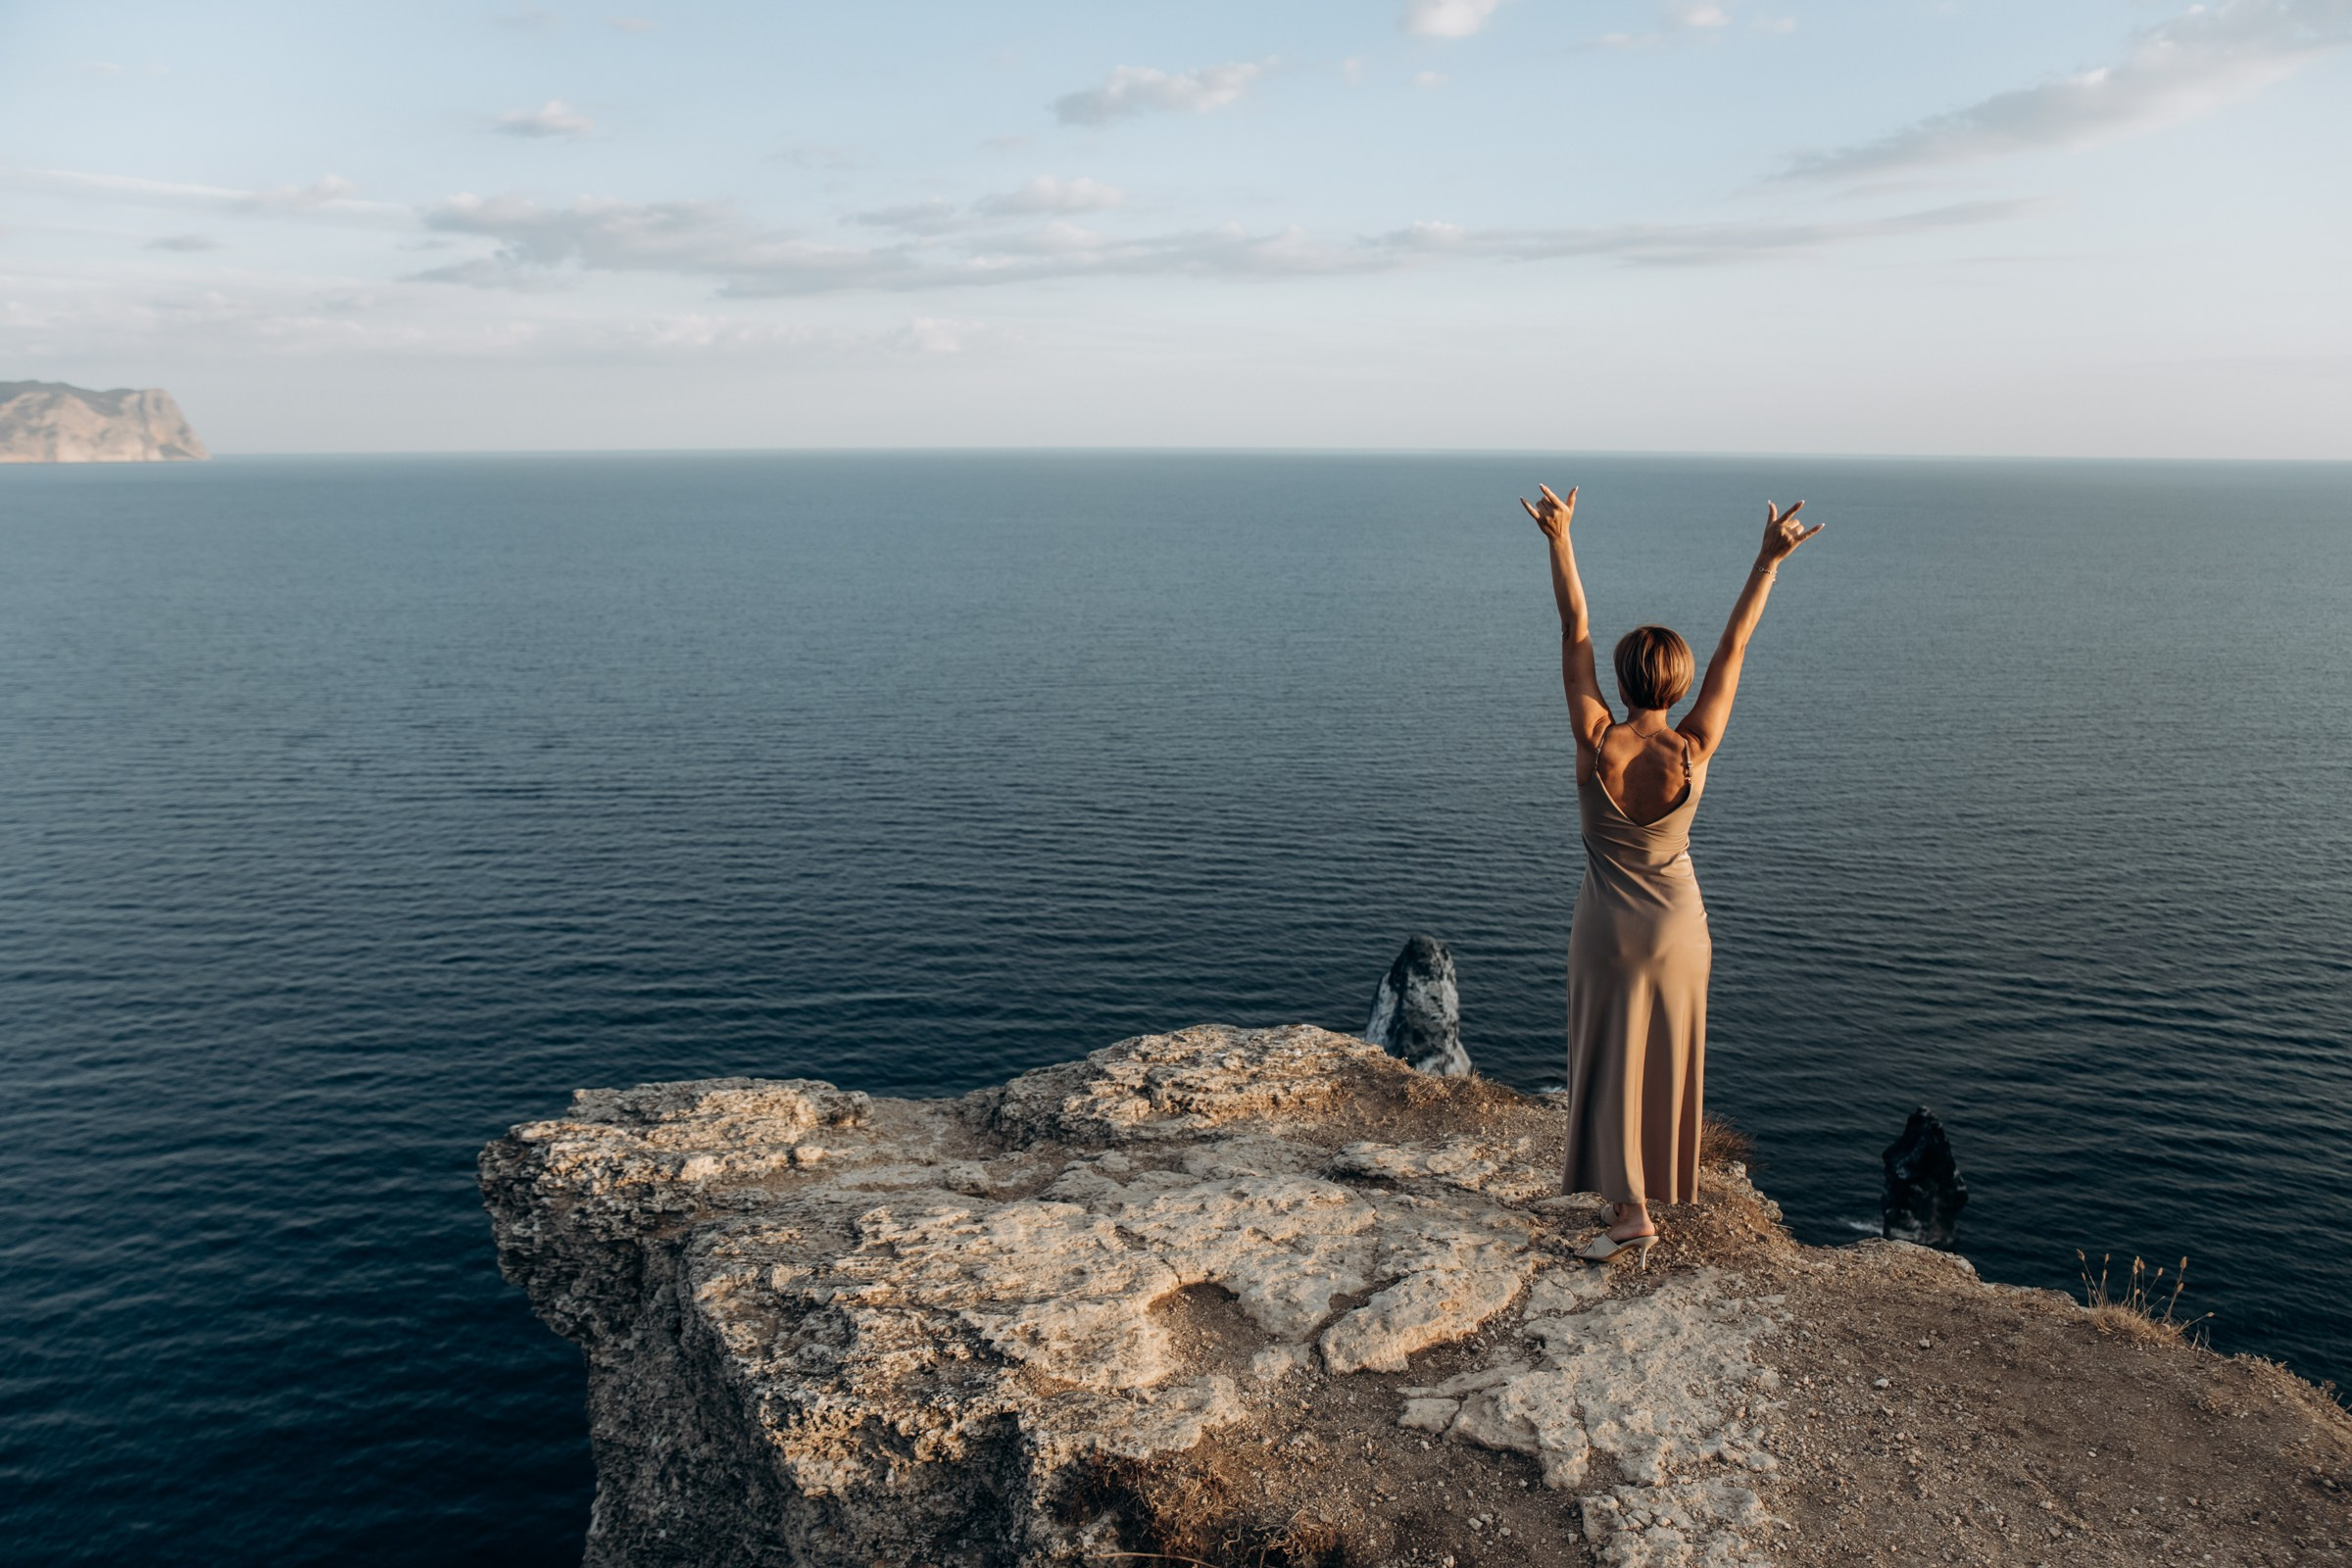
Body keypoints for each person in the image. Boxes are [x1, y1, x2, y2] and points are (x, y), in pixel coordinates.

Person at [1520, 482, 1824, 1266]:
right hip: (1681, 927)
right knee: (1665, 1058)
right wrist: (1767, 563)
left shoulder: (1597, 742)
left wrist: (1560, 539)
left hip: (1608, 927)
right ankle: (1645, 1201)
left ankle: (1630, 1212)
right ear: (1680, 686)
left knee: (1610, 1055)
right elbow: (1736, 649)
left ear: (1620, 684)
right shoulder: (1694, 748)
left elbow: (1574, 626)